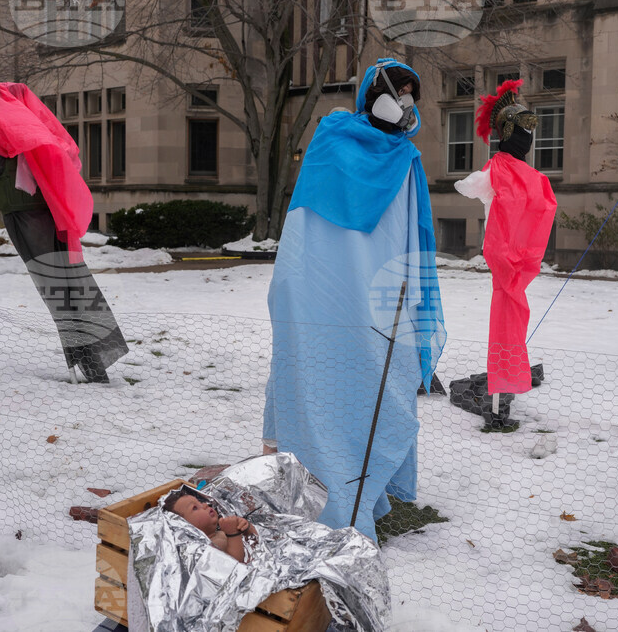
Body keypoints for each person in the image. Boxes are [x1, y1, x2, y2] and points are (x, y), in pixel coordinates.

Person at [263, 58, 445, 542]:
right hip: (319, 303)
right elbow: (304, 232)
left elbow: (408, 235)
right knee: (316, 386)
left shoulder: (405, 159)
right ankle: (319, 493)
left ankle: (366, 488)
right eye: (399, 92)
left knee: (379, 389)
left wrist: (405, 295)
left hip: (378, 304)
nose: (406, 103)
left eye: (412, 94)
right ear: (374, 96)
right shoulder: (332, 142)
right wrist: (293, 290)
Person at [0, 83, 128, 382]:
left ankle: (88, 361)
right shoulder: (44, 145)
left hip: (27, 221)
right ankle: (93, 362)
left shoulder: (8, 152)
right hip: (53, 222)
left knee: (58, 291)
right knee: (72, 285)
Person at [454, 79, 557, 429]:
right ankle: (501, 389)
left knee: (511, 319)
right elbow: (466, 187)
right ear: (508, 133)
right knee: (505, 320)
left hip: (520, 265)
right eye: (523, 130)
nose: (528, 138)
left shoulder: (535, 178)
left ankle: (506, 382)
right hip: (504, 264)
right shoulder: (496, 172)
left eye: (531, 131)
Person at [163, 491, 256, 563]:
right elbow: (234, 565)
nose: (205, 505)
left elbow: (255, 543)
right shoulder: (208, 550)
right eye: (195, 507)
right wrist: (233, 534)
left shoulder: (220, 533)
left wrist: (246, 527)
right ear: (184, 526)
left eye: (200, 502)